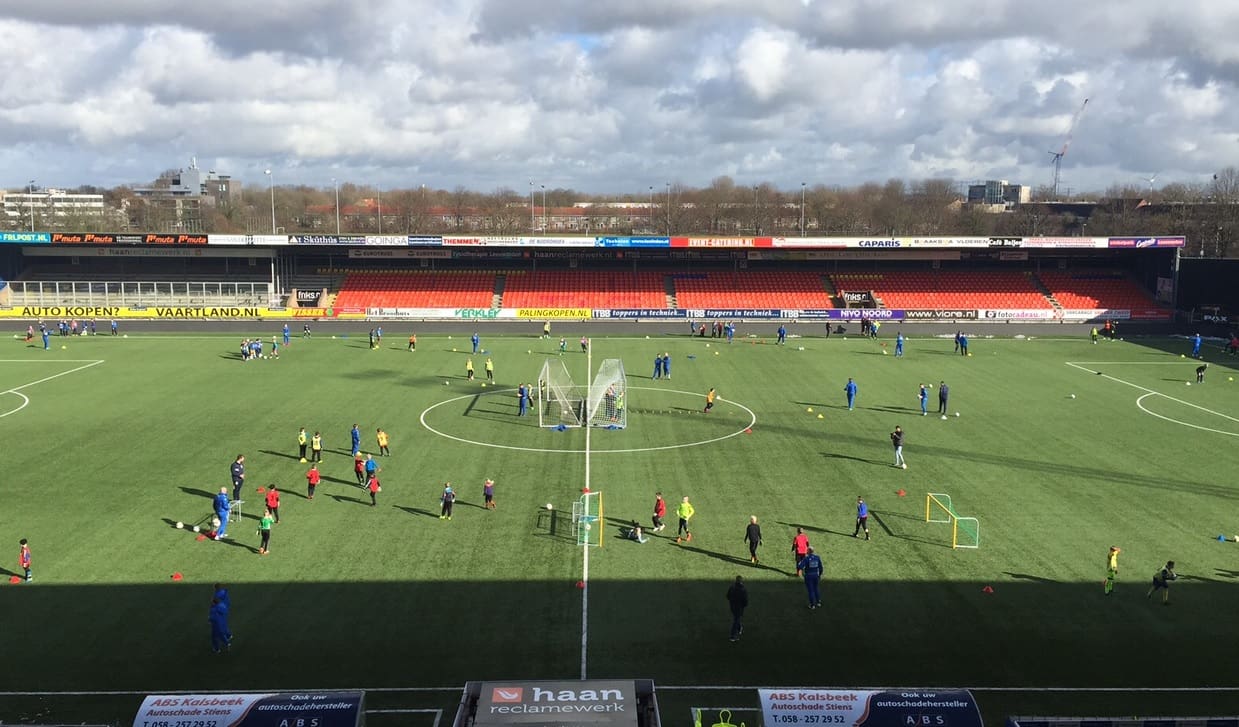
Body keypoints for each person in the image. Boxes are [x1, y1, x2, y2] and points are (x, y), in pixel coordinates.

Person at [726, 576, 748, 642]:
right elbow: (745, 601)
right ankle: (732, 636)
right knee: (736, 620)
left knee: (736, 618)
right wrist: (743, 606)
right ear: (741, 581)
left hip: (732, 607)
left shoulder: (732, 587)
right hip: (739, 608)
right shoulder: (743, 590)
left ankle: (739, 628)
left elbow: (728, 596)